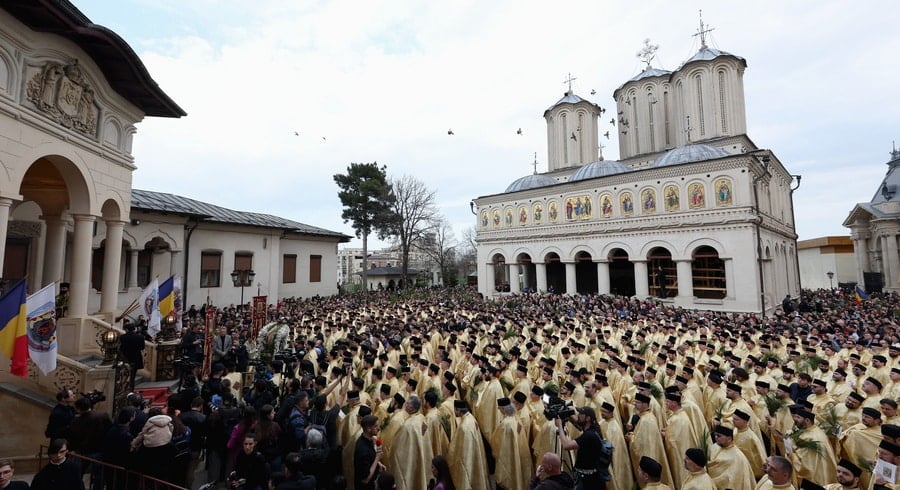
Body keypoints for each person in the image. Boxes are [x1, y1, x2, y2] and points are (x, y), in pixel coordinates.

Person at [555, 406, 606, 490]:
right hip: (592, 477)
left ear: (588, 418)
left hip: (587, 481)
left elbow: (566, 446)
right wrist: (569, 416)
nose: (578, 415)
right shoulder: (593, 431)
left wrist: (560, 426)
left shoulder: (588, 436)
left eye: (581, 414)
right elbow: (579, 425)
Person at [389, 396, 433, 490]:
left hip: (409, 457)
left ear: (412, 408)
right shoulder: (421, 417)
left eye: (407, 404)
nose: (405, 405)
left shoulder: (408, 426)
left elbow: (398, 449)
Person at [447, 400, 490, 490]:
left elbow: (465, 451)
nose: (454, 412)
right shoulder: (471, 417)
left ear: (458, 410)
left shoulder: (464, 427)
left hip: (468, 460)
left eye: (455, 410)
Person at [354, 414, 383, 490]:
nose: (378, 428)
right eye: (376, 426)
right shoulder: (362, 449)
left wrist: (379, 464)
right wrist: (377, 458)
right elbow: (365, 479)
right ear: (368, 429)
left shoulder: (369, 439)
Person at [119, 322, 145, 389]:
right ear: (134, 329)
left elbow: (120, 348)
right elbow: (142, 347)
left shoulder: (122, 337)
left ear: (126, 329)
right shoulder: (140, 337)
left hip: (125, 358)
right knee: (133, 375)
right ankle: (131, 388)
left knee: (124, 374)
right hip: (136, 358)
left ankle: (123, 388)